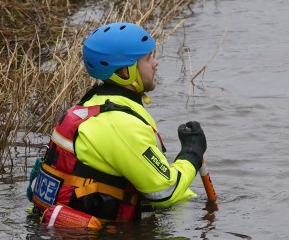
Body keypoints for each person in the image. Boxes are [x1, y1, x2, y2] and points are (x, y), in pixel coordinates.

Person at [27, 22, 207, 225]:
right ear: (124, 72)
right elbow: (165, 192)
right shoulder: (119, 125)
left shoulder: (92, 104)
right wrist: (192, 152)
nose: (155, 63)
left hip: (63, 228)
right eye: (147, 59)